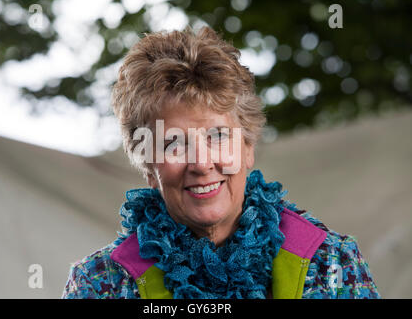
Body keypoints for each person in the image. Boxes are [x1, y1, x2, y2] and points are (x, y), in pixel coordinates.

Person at [62, 27, 380, 299]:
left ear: (247, 147)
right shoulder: (100, 285)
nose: (201, 164)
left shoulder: (332, 263)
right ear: (148, 166)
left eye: (218, 136)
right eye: (174, 143)